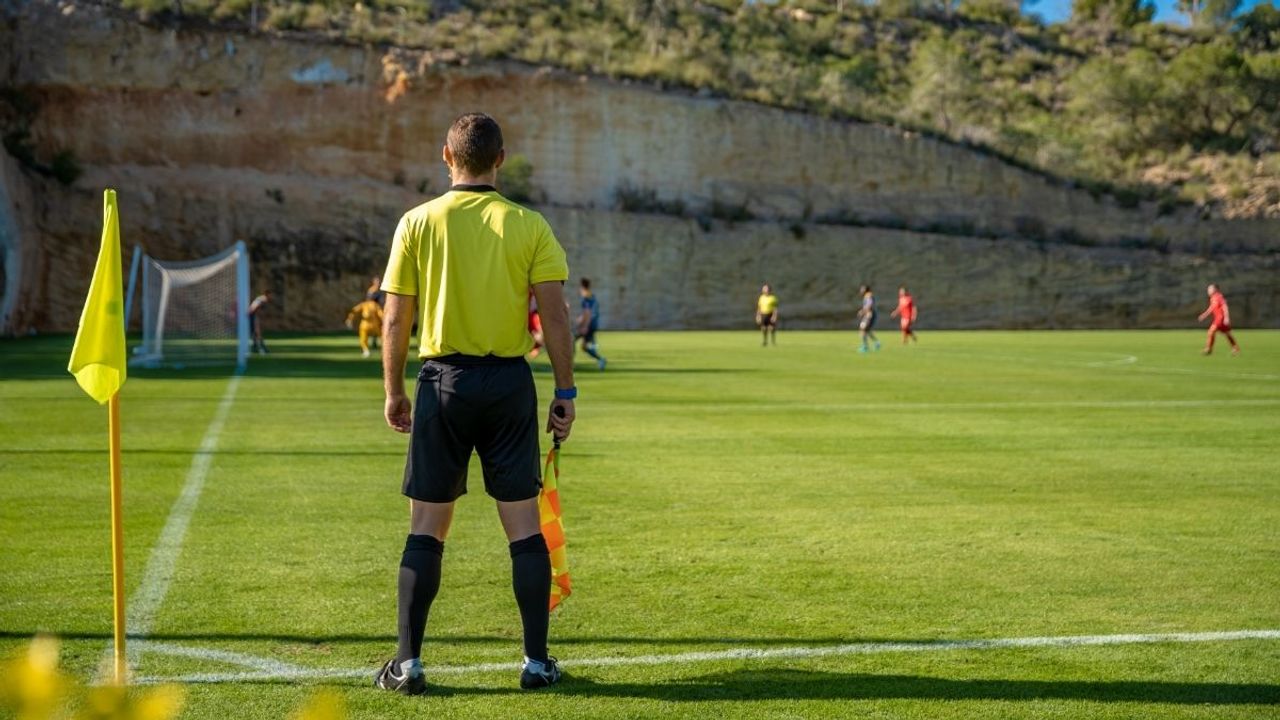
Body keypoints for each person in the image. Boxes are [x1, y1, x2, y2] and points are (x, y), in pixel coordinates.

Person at [375, 113, 576, 696]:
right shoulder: (529, 224)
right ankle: (536, 664)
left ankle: (407, 666)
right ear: (501, 159)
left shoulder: (417, 222)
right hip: (510, 384)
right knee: (522, 529)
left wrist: (393, 390)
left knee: (427, 528)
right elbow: (555, 316)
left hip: (443, 383)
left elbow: (394, 316)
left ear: (446, 156)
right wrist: (565, 393)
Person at [1198, 283, 1240, 356]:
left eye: (1210, 289)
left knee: (1211, 332)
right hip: (1219, 319)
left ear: (1216, 289)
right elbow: (1211, 308)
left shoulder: (1219, 296)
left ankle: (1208, 349)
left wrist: (1226, 318)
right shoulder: (1213, 298)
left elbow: (1225, 306)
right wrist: (1204, 315)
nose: (1208, 290)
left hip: (1220, 319)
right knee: (1227, 334)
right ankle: (1235, 349)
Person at [575, 278, 606, 370]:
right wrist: (580, 319)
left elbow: (587, 313)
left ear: (582, 286)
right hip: (593, 324)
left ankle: (569, 364)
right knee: (584, 347)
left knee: (571, 340)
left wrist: (584, 325)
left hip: (589, 325)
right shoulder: (592, 296)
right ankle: (600, 359)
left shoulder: (586, 297)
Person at [857, 285, 879, 353]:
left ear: (865, 290)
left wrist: (862, 311)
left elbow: (869, 305)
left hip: (869, 315)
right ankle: (877, 343)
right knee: (866, 330)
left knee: (863, 329)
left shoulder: (868, 296)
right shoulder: (867, 296)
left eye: (862, 289)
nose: (861, 291)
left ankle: (865, 346)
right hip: (868, 315)